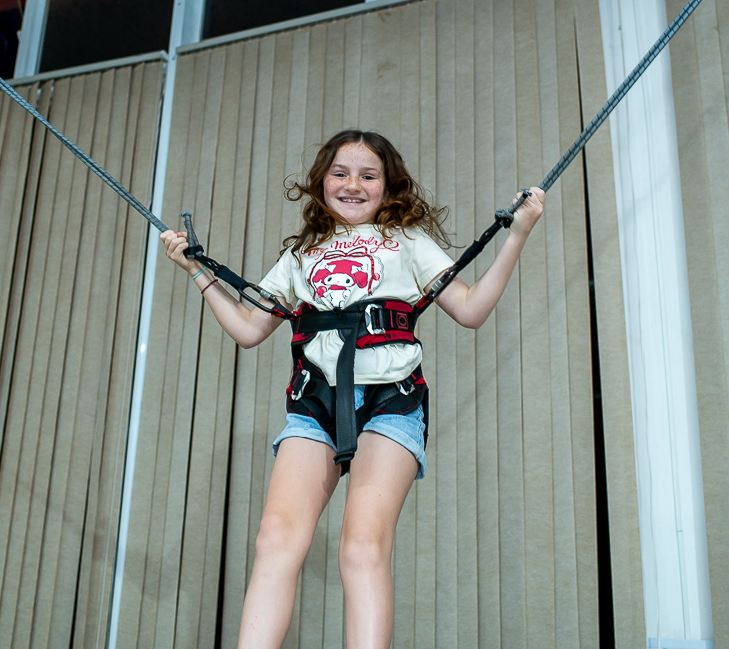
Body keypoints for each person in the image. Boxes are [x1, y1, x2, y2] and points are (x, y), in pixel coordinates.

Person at [161, 129, 544, 648]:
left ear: (389, 188)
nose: (353, 184)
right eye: (340, 173)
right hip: (315, 405)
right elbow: (251, 329)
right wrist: (196, 272)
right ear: (321, 184)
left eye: (369, 175)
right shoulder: (301, 254)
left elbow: (471, 309)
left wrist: (516, 234)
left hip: (391, 401)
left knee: (361, 547)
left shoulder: (407, 243)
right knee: (275, 537)